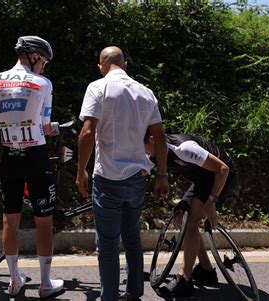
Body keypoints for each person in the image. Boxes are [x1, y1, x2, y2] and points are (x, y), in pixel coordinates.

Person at [0, 36, 63, 298]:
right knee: (44, 221)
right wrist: (54, 129)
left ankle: (14, 281)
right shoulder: (43, 84)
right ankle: (44, 284)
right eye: (43, 62)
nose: (43, 67)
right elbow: (44, 126)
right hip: (36, 156)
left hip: (9, 155)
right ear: (34, 56)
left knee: (10, 218)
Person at [75, 46, 169, 301]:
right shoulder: (145, 92)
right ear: (125, 65)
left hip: (107, 177)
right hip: (137, 178)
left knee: (107, 243)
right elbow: (159, 136)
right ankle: (134, 292)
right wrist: (162, 174)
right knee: (132, 237)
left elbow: (87, 131)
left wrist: (81, 170)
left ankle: (109, 298)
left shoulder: (97, 88)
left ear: (101, 67)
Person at [144, 131, 239, 298]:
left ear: (152, 140)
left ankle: (185, 279)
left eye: (141, 146)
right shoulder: (153, 154)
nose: (141, 152)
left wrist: (211, 201)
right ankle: (205, 270)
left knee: (193, 221)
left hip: (223, 176)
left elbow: (222, 169)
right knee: (180, 217)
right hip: (203, 180)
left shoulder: (184, 148)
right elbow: (139, 173)